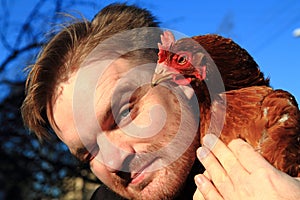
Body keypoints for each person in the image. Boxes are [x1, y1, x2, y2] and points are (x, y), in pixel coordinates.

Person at [21, 2, 300, 200]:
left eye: (125, 113)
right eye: (90, 152)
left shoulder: (274, 138)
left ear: (179, 82)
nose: (115, 161)